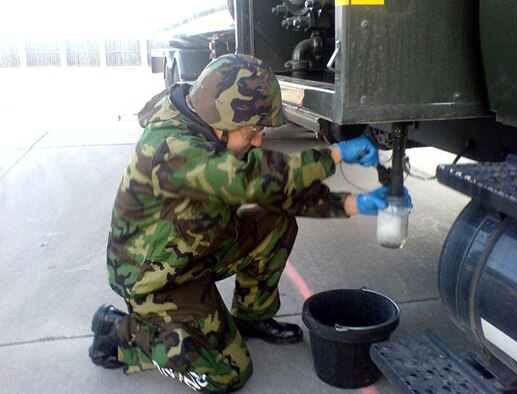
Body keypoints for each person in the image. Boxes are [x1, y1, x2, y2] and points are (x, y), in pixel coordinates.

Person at [88, 53, 407, 393]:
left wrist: (353, 203)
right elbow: (250, 179)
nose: (259, 140)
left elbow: (276, 194)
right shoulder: (171, 148)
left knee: (275, 221)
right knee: (227, 375)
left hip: (193, 252)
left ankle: (251, 317)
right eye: (253, 130)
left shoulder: (211, 134)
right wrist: (335, 155)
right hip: (155, 279)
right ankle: (124, 334)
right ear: (220, 119)